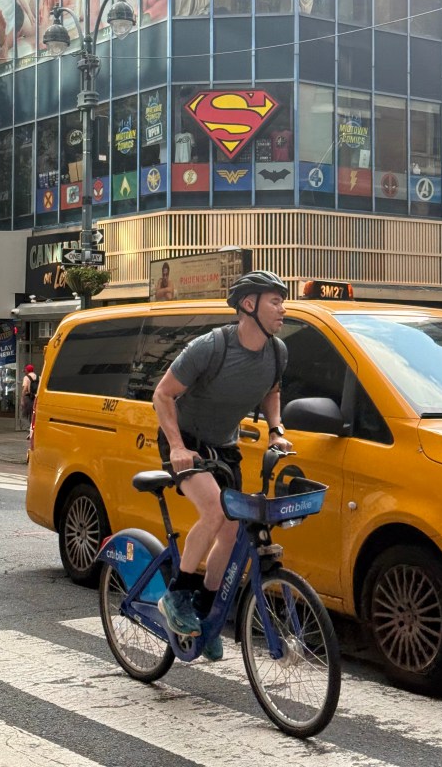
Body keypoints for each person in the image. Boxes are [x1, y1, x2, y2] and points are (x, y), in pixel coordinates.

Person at [152, 270, 292, 661]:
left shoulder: (278, 352)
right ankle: (176, 597)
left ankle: (204, 611)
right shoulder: (211, 347)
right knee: (214, 511)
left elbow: (272, 391)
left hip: (224, 445)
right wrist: (178, 447)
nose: (283, 308)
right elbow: (162, 395)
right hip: (187, 442)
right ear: (250, 305)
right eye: (275, 301)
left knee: (232, 529)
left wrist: (276, 430)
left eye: (283, 300)